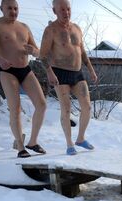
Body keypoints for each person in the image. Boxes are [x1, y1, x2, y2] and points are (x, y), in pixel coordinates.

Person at [0, 0, 47, 158]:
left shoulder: (24, 27)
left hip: (26, 70)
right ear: (1, 8)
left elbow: (38, 52)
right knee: (16, 109)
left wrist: (34, 51)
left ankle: (32, 142)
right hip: (7, 71)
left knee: (41, 104)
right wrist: (0, 60)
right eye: (9, 8)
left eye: (16, 8)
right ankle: (20, 147)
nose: (13, 11)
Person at [39, 0, 97, 156]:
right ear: (54, 11)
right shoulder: (51, 30)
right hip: (60, 73)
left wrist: (91, 70)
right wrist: (49, 72)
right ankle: (69, 143)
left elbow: (82, 51)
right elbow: (42, 55)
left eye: (68, 9)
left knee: (87, 107)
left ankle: (80, 138)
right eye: (62, 10)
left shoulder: (77, 28)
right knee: (66, 108)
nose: (66, 12)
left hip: (78, 73)